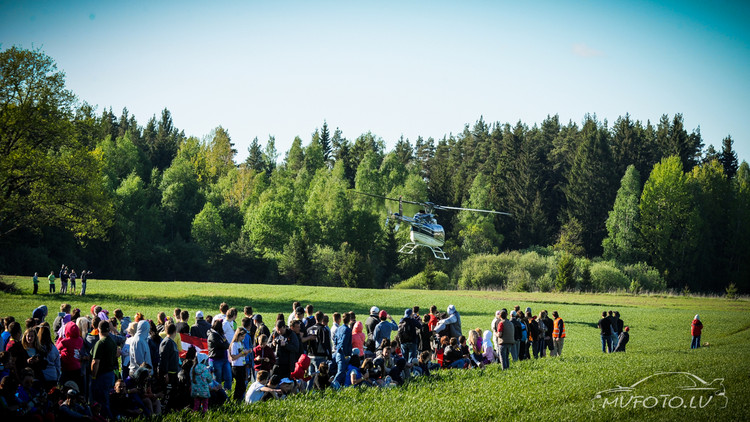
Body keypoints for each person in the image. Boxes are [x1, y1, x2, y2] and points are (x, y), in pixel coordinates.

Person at [91, 319, 118, 419]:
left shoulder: (100, 343)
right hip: (110, 374)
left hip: (102, 375)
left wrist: (93, 376)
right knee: (107, 399)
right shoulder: (112, 341)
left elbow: (95, 362)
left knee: (101, 401)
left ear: (98, 329)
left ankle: (107, 418)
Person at [208, 319, 232, 391]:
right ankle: (219, 394)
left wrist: (225, 343)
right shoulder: (212, 335)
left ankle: (227, 392)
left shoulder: (221, 335)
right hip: (216, 359)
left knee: (228, 377)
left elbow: (227, 344)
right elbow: (223, 345)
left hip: (224, 358)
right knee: (218, 379)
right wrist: (225, 343)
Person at [229, 328, 251, 401]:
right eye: (242, 336)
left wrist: (246, 353)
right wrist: (241, 353)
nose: (243, 338)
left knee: (242, 384)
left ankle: (240, 399)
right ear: (238, 335)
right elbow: (233, 357)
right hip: (236, 366)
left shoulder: (240, 343)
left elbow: (241, 355)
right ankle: (236, 399)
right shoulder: (234, 344)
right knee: (239, 384)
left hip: (242, 365)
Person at [332, 313, 352, 386]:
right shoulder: (348, 330)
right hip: (343, 353)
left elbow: (335, 339)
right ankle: (333, 384)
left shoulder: (339, 328)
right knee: (341, 371)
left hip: (337, 351)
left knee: (340, 370)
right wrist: (345, 353)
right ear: (349, 320)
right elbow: (345, 342)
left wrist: (337, 347)